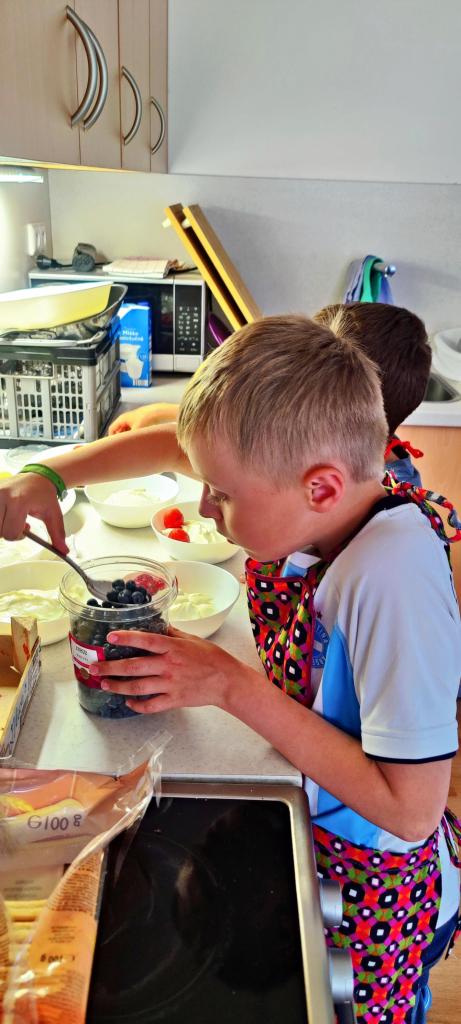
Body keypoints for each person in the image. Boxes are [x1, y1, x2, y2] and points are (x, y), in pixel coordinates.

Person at [0, 314, 459, 1023]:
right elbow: (171, 447)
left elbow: (409, 808)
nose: (204, 504)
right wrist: (47, 474)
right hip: (316, 811)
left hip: (372, 878)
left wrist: (227, 683)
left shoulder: (390, 579)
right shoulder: (321, 494)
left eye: (222, 494)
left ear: (320, 488)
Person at [108, 301, 432, 488]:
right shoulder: (335, 439)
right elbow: (247, 427)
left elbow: (175, 451)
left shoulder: (385, 499)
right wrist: (159, 412)